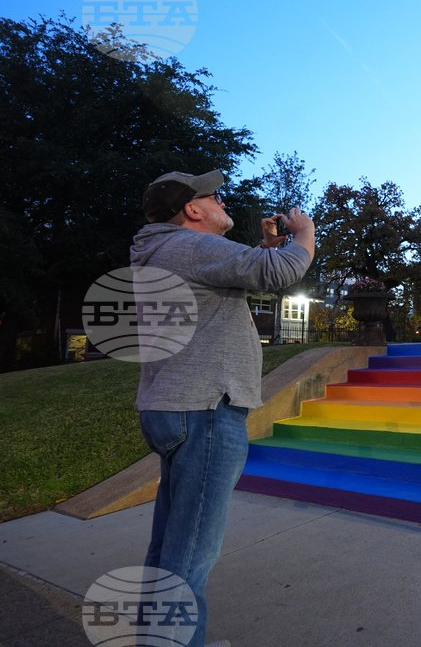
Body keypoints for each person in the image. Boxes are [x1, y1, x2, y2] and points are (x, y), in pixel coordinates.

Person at [131, 169, 315, 647]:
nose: (221, 201)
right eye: (213, 197)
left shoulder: (162, 252)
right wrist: (303, 235)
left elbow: (250, 273)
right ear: (193, 210)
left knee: (170, 546)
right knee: (191, 555)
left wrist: (267, 246)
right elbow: (279, 275)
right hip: (205, 411)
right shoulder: (192, 247)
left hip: (171, 408)